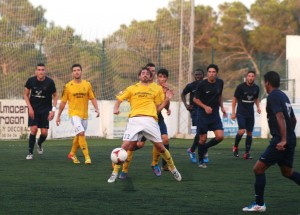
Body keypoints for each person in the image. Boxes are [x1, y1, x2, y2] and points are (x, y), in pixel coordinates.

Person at [107, 67, 182, 183]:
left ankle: (173, 168)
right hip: (134, 120)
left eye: (147, 73)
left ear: (151, 77)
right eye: (143, 73)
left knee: (160, 147)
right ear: (139, 76)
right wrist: (116, 108)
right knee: (125, 145)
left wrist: (167, 99)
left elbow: (158, 108)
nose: (145, 75)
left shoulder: (156, 89)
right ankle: (115, 172)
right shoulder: (132, 88)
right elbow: (119, 99)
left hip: (150, 120)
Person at [242, 71, 300, 212]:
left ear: (267, 82)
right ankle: (259, 204)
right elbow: (293, 119)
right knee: (287, 172)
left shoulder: (273, 96)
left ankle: (259, 204)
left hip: (281, 141)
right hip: (289, 139)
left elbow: (280, 116)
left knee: (258, 168)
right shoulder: (283, 95)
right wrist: (289, 137)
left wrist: (284, 139)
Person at [56, 64, 99, 165]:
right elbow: (63, 102)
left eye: (78, 70)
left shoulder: (87, 84)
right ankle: (87, 157)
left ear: (81, 72)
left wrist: (97, 108)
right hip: (74, 114)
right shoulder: (68, 86)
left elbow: (92, 98)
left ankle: (72, 153)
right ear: (72, 73)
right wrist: (58, 116)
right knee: (81, 133)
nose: (76, 72)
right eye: (74, 70)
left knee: (79, 134)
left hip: (84, 115)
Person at [193, 64, 226, 168]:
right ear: (207, 73)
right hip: (202, 114)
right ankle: (201, 161)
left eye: (213, 72)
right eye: (210, 72)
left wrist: (222, 107)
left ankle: (205, 147)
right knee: (202, 138)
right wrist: (205, 107)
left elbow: (219, 95)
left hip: (215, 114)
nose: (211, 74)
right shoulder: (202, 84)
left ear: (216, 73)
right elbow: (195, 99)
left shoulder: (220, 83)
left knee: (220, 136)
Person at [24, 63, 58, 160]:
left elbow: (55, 96)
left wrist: (53, 110)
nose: (40, 72)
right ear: (36, 71)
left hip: (45, 110)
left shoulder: (50, 82)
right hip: (33, 110)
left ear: (45, 71)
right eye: (39, 70)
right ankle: (30, 153)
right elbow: (26, 95)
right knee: (34, 129)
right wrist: (30, 108)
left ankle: (39, 143)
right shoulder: (30, 81)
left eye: (42, 70)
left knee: (44, 133)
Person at [231, 71, 261, 159]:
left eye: (252, 76)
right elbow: (234, 100)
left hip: (250, 113)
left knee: (250, 133)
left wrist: (258, 107)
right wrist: (233, 112)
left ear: (254, 78)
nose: (251, 78)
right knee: (242, 131)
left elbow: (256, 98)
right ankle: (235, 146)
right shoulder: (240, 87)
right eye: (249, 76)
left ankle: (247, 153)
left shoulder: (256, 88)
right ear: (246, 77)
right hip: (241, 112)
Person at [182, 68, 205, 164]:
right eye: (196, 75)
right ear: (194, 75)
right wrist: (186, 105)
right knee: (201, 131)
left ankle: (192, 150)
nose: (198, 76)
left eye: (199, 74)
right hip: (195, 110)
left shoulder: (206, 84)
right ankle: (198, 152)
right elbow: (183, 94)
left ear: (203, 75)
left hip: (204, 109)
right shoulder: (191, 85)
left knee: (202, 131)